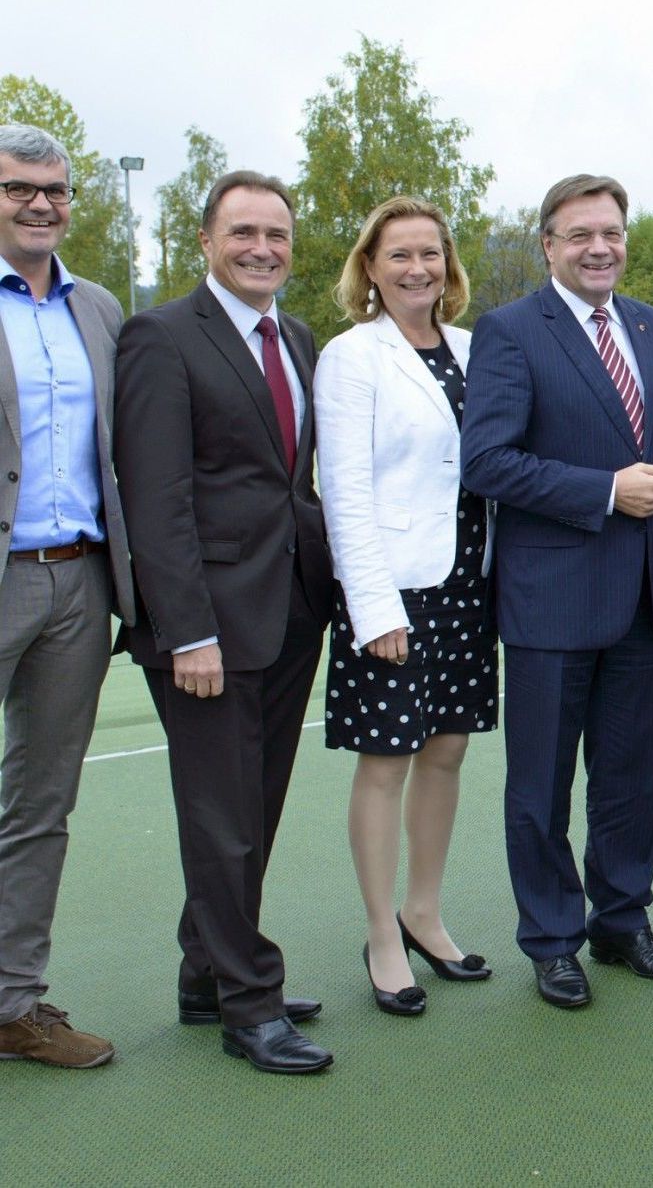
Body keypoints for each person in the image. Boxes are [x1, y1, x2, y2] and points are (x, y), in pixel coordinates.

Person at [113, 170, 335, 1074]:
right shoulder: (160, 338)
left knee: (254, 805)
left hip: (289, 610)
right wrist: (187, 631)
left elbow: (292, 482)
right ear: (205, 240)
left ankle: (207, 972)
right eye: (243, 232)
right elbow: (155, 499)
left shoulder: (300, 339)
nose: (262, 249)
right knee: (221, 817)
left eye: (277, 234)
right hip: (206, 629)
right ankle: (251, 1002)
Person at [462, 174, 653, 1011]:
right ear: (549, 245)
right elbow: (486, 462)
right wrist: (604, 491)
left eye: (612, 232)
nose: (599, 247)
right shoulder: (510, 332)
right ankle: (553, 938)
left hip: (639, 599)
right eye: (580, 235)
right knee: (541, 785)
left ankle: (622, 921)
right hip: (549, 601)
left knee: (631, 776)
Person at [315, 196, 498, 1017]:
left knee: (447, 753)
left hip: (468, 581)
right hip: (393, 589)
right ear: (371, 268)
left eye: (430, 253)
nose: (416, 268)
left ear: (448, 264)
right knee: (386, 761)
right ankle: (381, 933)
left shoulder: (473, 347)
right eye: (399, 256)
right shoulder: (352, 358)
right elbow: (343, 490)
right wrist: (373, 606)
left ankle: (423, 911)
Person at [0, 124, 132, 1069]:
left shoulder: (99, 309)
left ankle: (12, 1004)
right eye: (18, 189)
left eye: (54, 189)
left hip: (79, 583)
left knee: (41, 805)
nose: (40, 203)